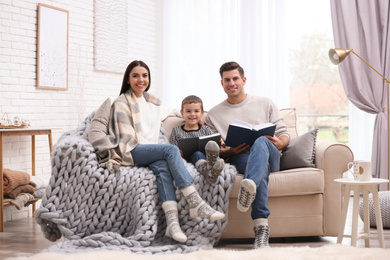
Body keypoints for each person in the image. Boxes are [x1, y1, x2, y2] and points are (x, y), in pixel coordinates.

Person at [89, 60, 225, 244]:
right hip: (131, 149)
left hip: (148, 151)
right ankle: (196, 202)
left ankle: (172, 224)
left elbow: (176, 111)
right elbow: (124, 137)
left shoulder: (151, 103)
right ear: (128, 79)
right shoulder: (122, 102)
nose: (141, 79)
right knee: (170, 150)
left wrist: (198, 117)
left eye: (144, 75)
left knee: (163, 168)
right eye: (135, 75)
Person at [204, 61, 290, 249]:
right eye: (227, 80)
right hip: (240, 157)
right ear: (222, 83)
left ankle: (250, 184)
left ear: (243, 80)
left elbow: (285, 134)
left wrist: (279, 142)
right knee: (258, 169)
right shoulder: (213, 114)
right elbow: (216, 149)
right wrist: (230, 151)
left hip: (270, 155)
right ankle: (261, 229)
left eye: (235, 78)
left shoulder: (265, 102)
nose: (231, 83)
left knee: (260, 141)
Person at [169, 95, 224, 184]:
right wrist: (177, 151)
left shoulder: (206, 129)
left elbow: (213, 145)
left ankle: (210, 169)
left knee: (205, 150)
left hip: (207, 158)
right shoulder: (176, 130)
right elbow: (172, 148)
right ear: (182, 113)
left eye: (196, 111)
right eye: (188, 111)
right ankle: (210, 173)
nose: (192, 114)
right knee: (196, 154)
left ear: (202, 113)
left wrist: (218, 142)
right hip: (187, 160)